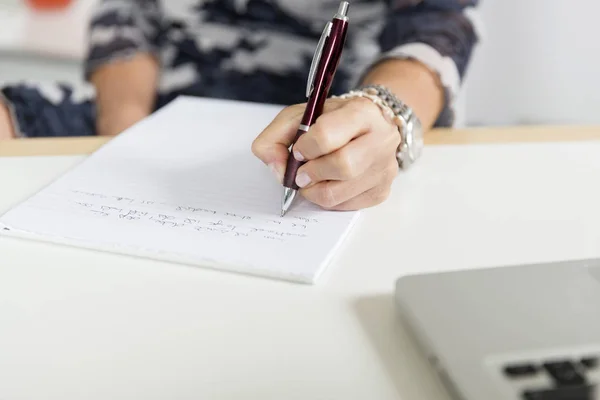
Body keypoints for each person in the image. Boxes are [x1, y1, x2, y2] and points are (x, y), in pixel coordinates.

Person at [0, 0, 479, 210]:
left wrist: (382, 110)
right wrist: (126, 136)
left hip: (331, 124)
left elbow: (436, 28)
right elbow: (127, 14)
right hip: (154, 109)